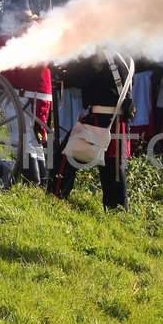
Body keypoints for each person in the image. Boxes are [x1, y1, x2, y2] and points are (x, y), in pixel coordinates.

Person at [48, 49, 136, 210]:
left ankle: (55, 198)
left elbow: (78, 78)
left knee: (65, 158)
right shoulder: (127, 58)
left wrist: (57, 72)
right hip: (119, 123)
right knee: (114, 172)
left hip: (98, 120)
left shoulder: (98, 55)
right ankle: (118, 211)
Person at [0, 0, 52, 183]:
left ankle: (30, 183)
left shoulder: (8, 39)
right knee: (35, 142)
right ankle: (41, 182)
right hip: (43, 95)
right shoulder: (45, 30)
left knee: (23, 141)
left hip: (22, 94)